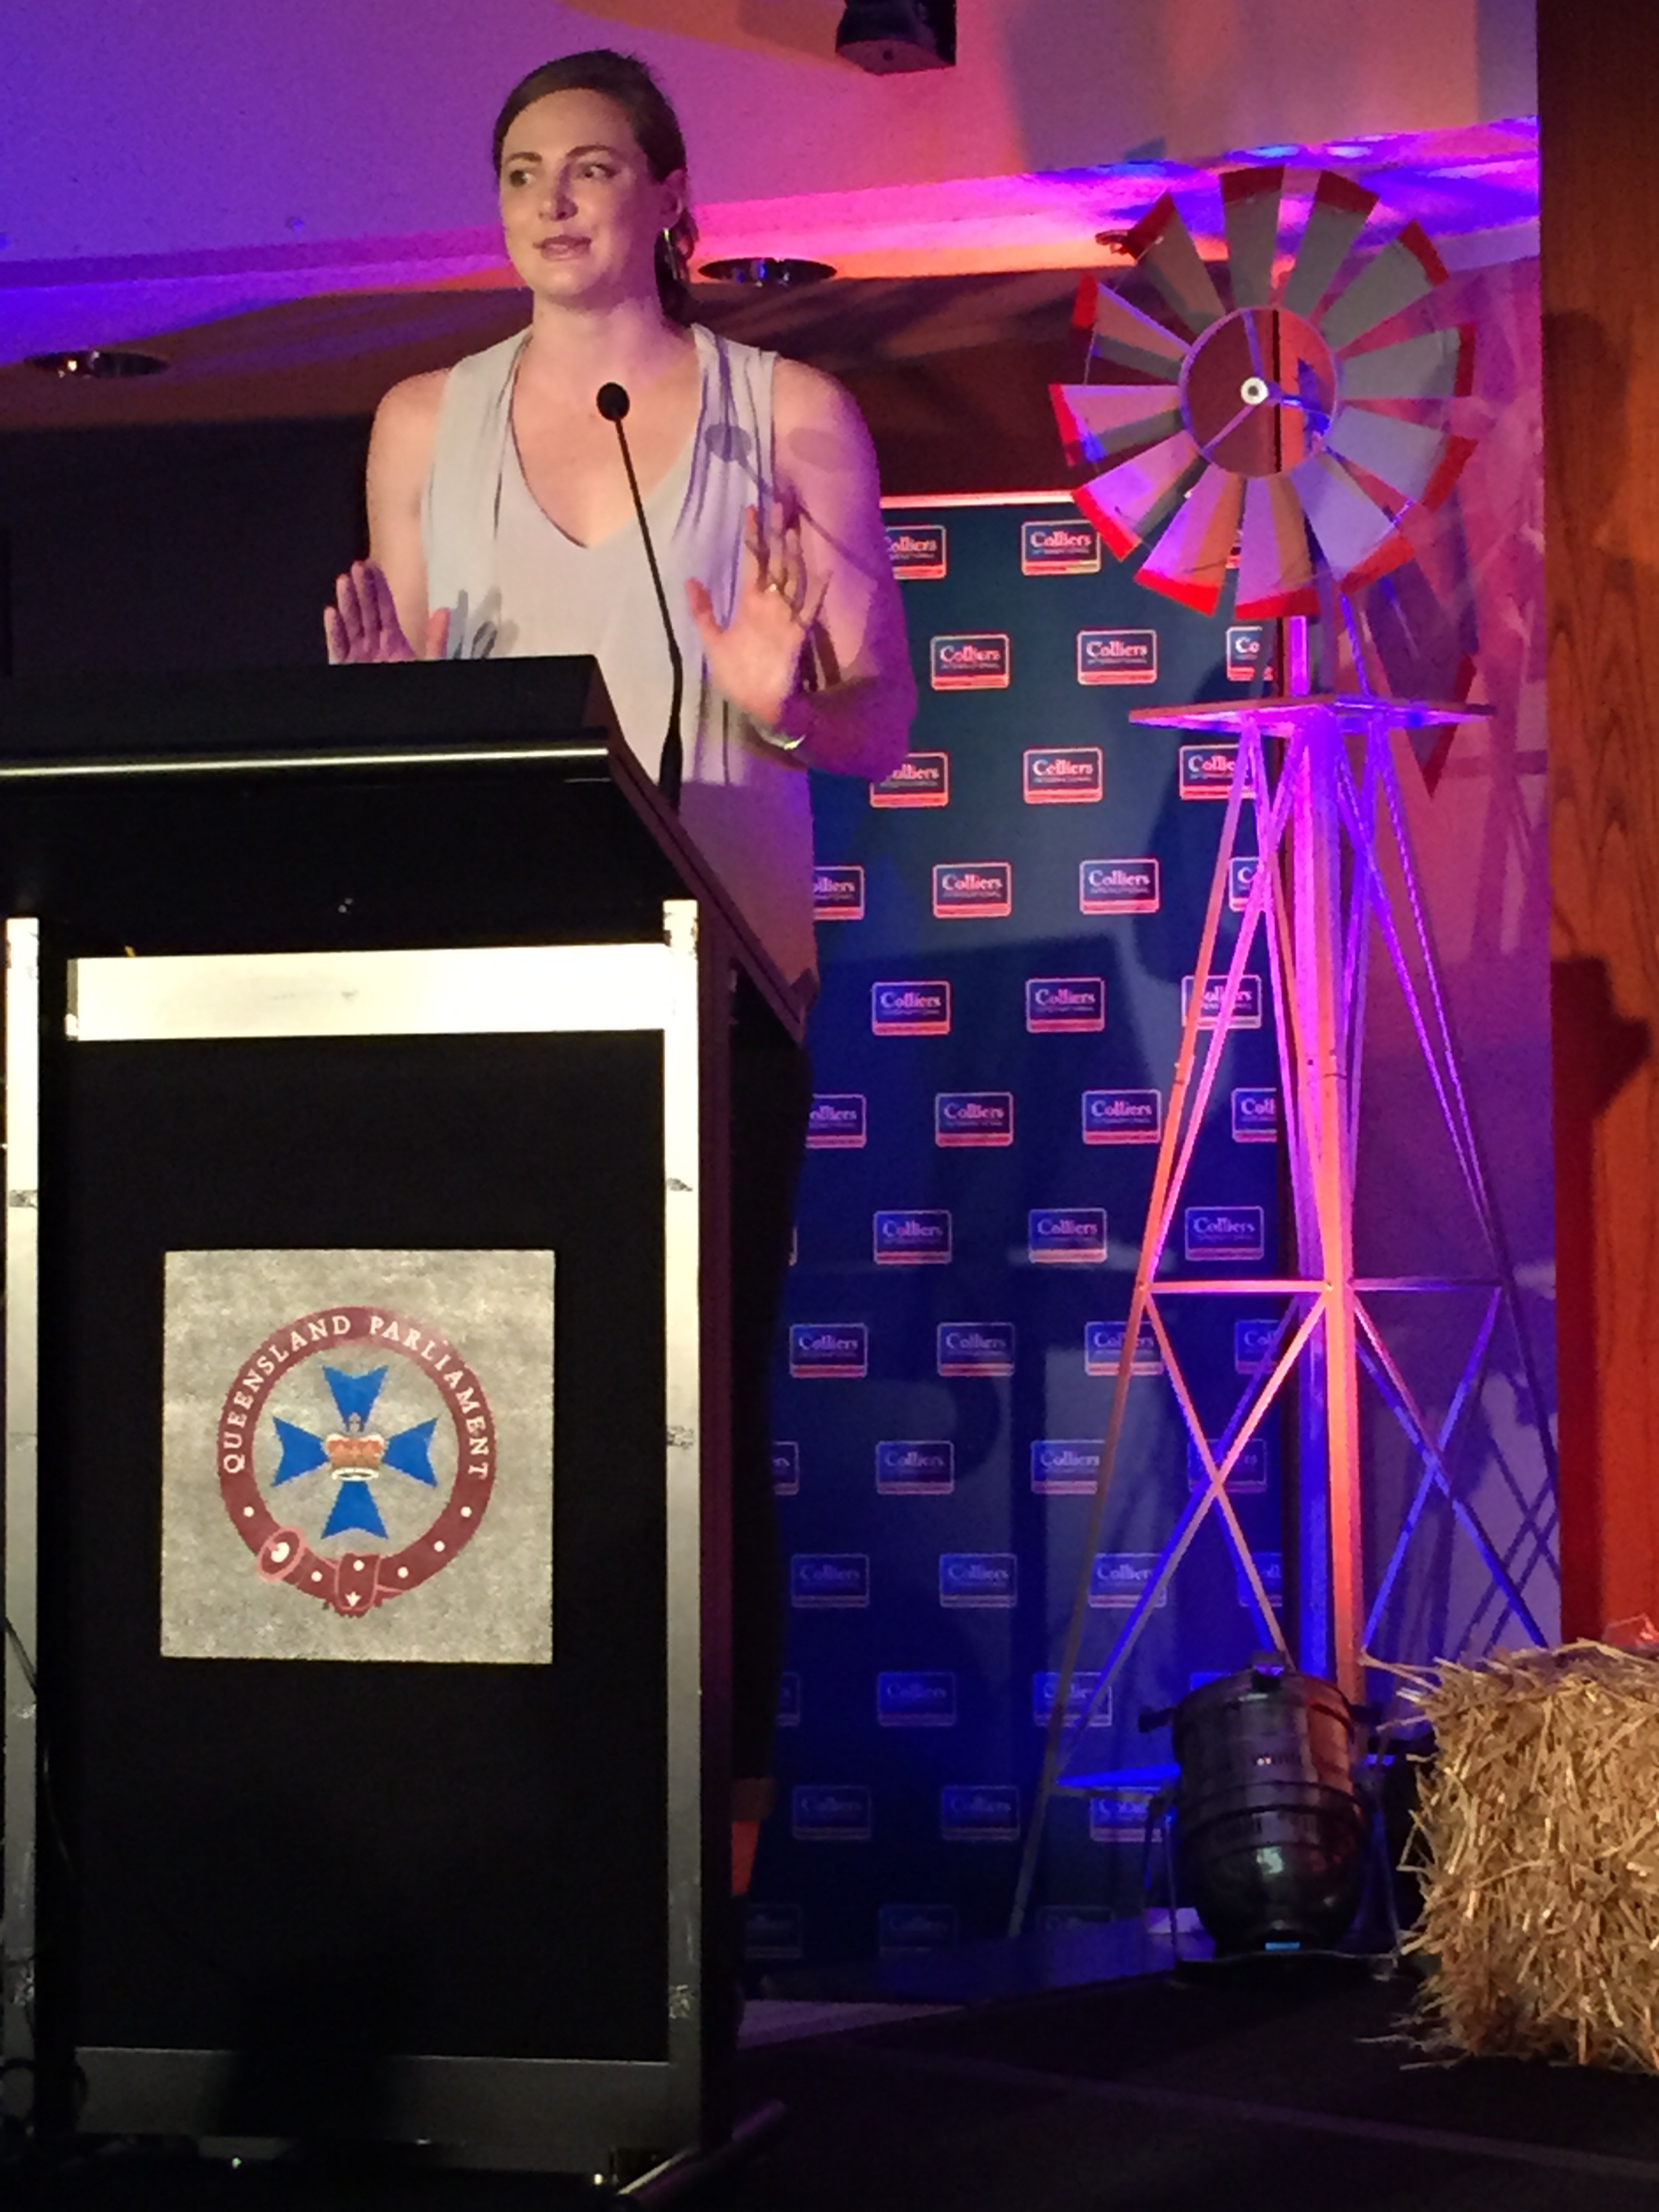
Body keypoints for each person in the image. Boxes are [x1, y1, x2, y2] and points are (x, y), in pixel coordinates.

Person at [325, 49, 916, 1899]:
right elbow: (420, 732)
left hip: (721, 993)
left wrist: (789, 696)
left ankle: (712, 1871)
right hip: (498, 989)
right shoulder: (422, 423)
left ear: (671, 197)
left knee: (697, 1413)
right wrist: (388, 730)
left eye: (590, 167)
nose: (554, 201)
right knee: (497, 1397)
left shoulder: (787, 412)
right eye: (523, 172)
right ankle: (510, 1843)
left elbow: (880, 724)